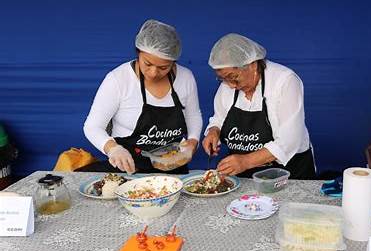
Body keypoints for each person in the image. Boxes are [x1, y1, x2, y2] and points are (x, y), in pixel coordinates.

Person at [82, 19, 202, 174]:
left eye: (163, 67)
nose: (153, 73)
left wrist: (193, 141)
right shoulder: (118, 79)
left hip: (172, 165)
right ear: (138, 53)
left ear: (173, 62)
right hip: (128, 166)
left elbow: (193, 115)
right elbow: (92, 127)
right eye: (147, 63)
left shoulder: (186, 78)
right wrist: (113, 149)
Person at [202, 33, 317, 179]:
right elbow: (219, 117)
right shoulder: (227, 86)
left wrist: (246, 161)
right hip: (245, 176)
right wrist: (213, 131)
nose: (230, 85)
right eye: (223, 79)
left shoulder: (284, 81)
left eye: (233, 77)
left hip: (290, 172)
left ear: (253, 65)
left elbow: (290, 141)